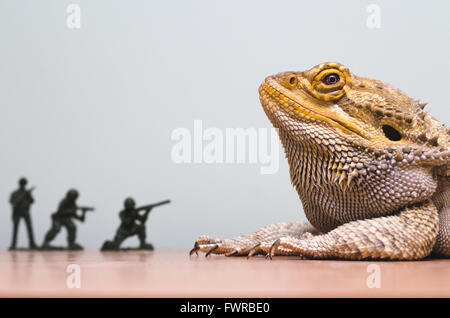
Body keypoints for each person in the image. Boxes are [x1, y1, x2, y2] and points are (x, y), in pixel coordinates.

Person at [9, 178, 38, 250]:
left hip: (25, 212)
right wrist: (19, 200)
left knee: (29, 228)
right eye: (22, 183)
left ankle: (32, 244)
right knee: (15, 229)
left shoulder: (27, 193)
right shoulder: (15, 193)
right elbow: (12, 201)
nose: (23, 185)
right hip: (17, 212)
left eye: (24, 183)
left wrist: (28, 195)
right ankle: (13, 245)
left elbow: (32, 201)